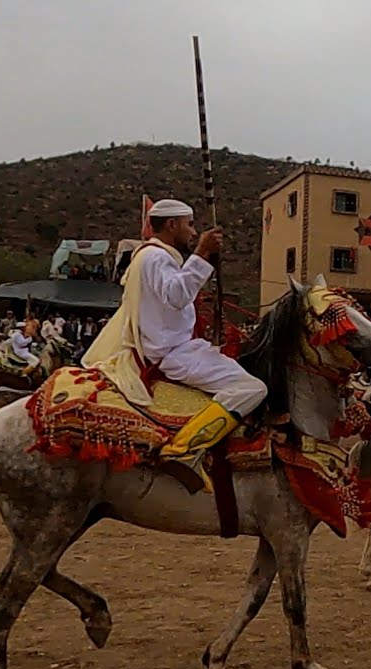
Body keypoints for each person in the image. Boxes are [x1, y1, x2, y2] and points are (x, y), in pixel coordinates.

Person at [82, 198, 267, 485]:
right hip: (174, 352)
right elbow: (177, 295)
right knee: (252, 388)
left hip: (175, 347)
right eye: (189, 225)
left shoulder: (151, 256)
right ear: (172, 224)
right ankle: (183, 450)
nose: (193, 232)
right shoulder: (156, 257)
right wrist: (202, 252)